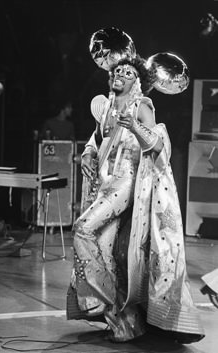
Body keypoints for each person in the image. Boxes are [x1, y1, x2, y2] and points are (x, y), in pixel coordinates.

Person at [66, 55, 205, 344]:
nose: (121, 74)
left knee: (82, 229)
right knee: (105, 251)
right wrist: (88, 155)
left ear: (136, 81)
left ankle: (117, 309)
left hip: (128, 183)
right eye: (118, 70)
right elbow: (98, 138)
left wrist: (133, 127)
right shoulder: (104, 107)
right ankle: (127, 320)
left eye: (128, 72)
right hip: (104, 184)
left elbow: (157, 144)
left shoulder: (141, 106)